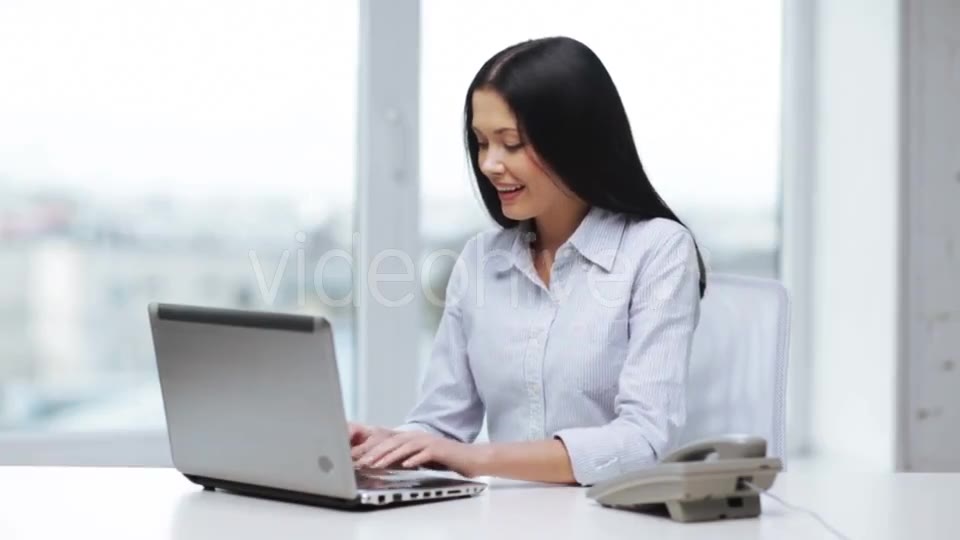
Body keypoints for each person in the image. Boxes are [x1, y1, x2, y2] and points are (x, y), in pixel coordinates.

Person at [350, 36, 706, 486]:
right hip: (503, 520)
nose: (489, 164)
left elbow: (644, 442)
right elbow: (442, 425)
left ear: (573, 141)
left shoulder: (658, 250)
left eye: (511, 143)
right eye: (481, 143)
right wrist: (388, 444)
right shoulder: (480, 260)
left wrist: (476, 458)